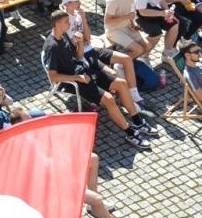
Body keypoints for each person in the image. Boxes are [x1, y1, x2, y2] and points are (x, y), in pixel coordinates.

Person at [41, 10, 152, 148]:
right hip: (74, 80)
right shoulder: (52, 47)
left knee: (122, 84)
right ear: (57, 24)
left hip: (83, 71)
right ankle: (130, 132)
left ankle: (137, 121)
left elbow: (79, 57)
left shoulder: (64, 36)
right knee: (109, 100)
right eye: (66, 22)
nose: (69, 24)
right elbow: (52, 77)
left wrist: (80, 42)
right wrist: (78, 78)